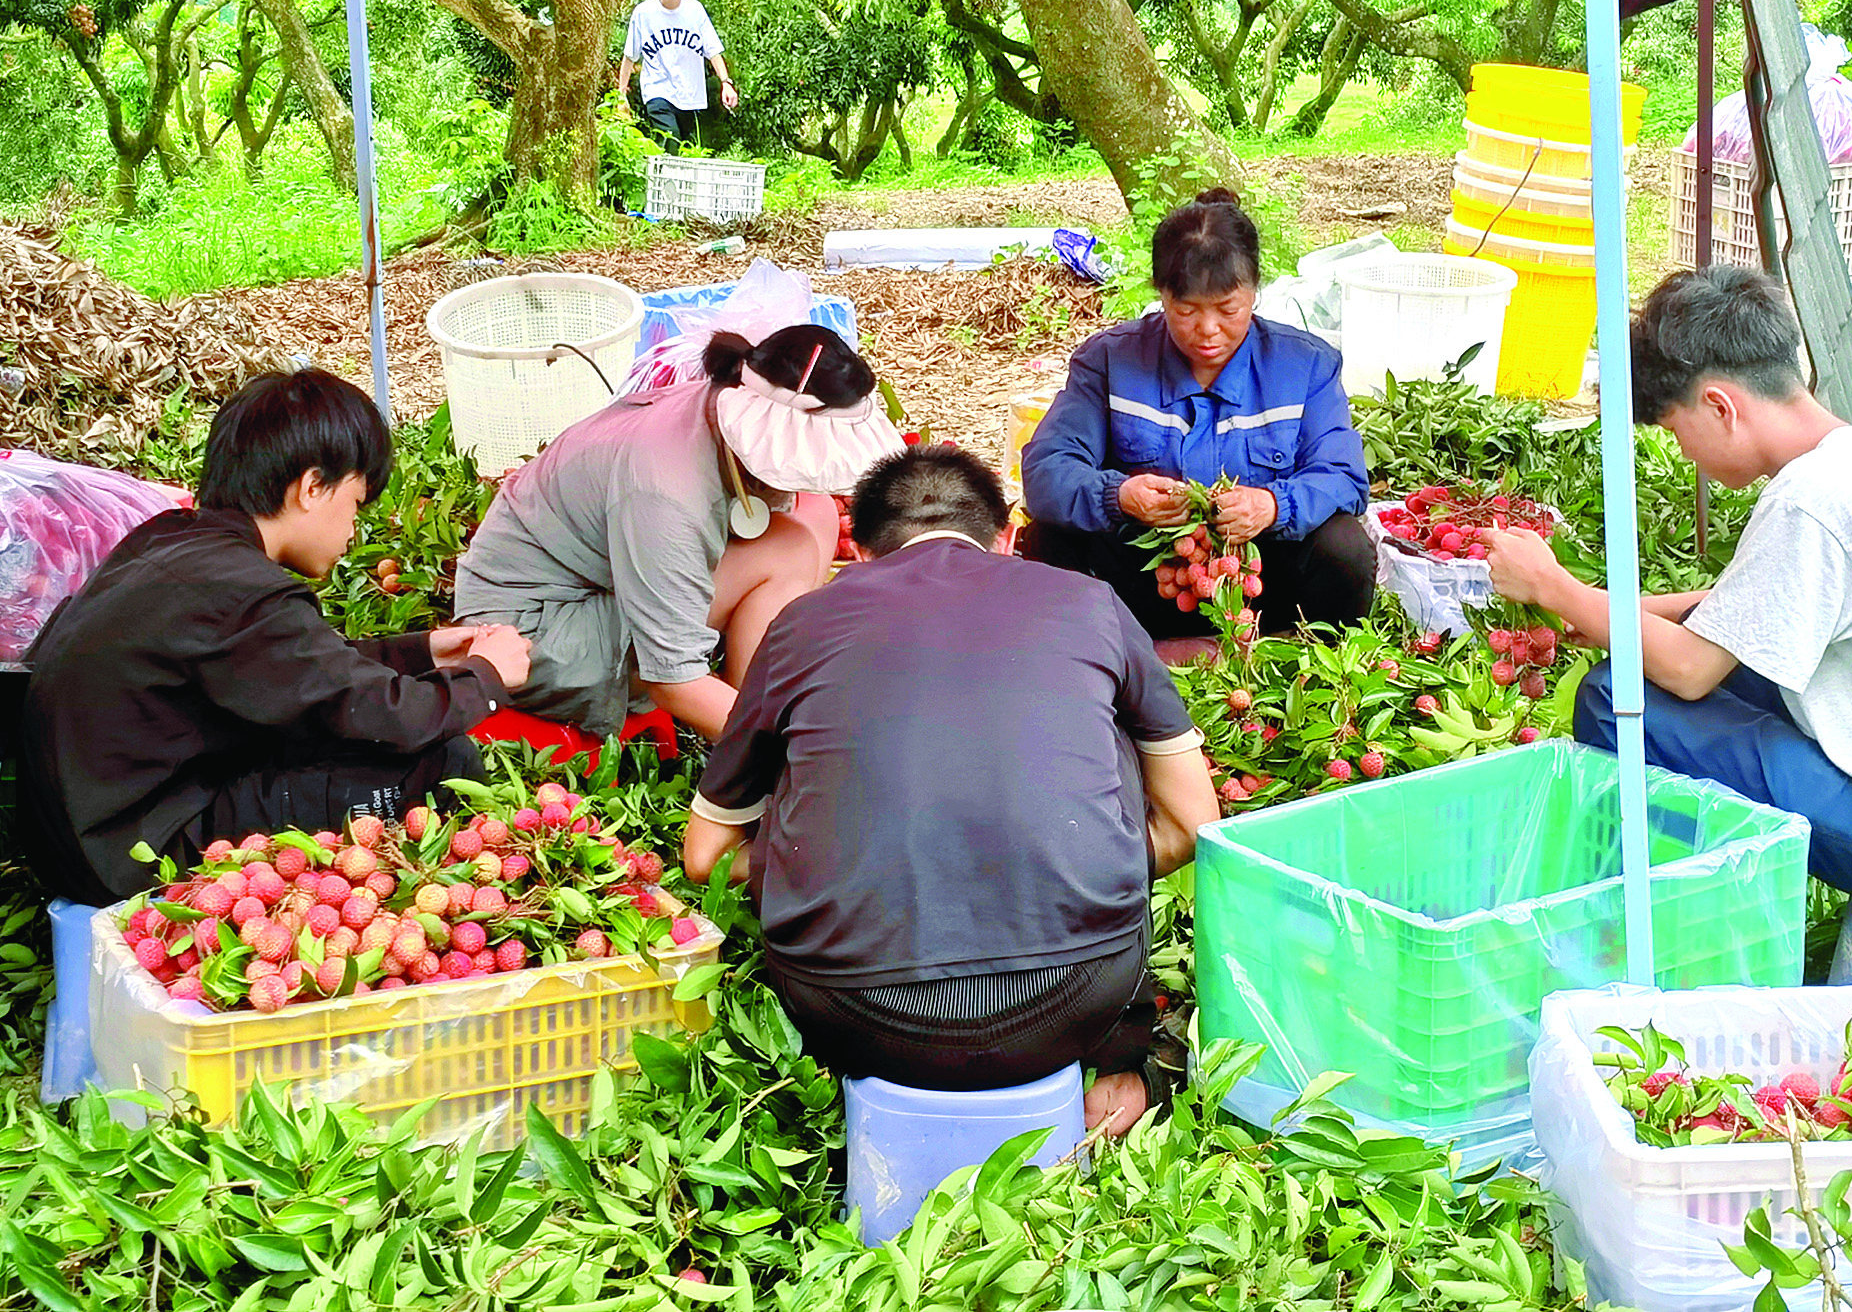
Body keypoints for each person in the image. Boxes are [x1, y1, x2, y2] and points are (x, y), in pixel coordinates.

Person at [1479, 264, 1852, 913]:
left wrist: (1554, 587)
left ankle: (1657, 914)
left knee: (1614, 697)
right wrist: (1611, 609)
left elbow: (1690, 670)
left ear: (1719, 406)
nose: (1685, 454)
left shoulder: (1811, 501)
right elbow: (1754, 608)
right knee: (1673, 665)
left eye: (1679, 433)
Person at [682, 445, 1218, 1136]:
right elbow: (1192, 820)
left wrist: (813, 853)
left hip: (846, 1013)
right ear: (1005, 540)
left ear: (862, 554)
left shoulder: (802, 622)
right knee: (1104, 733)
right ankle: (1124, 1067)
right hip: (1077, 1000)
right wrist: (1078, 854)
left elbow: (705, 856)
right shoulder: (1089, 601)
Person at [19, 371, 533, 905]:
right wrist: (486, 679)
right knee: (441, 761)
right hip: (140, 853)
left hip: (84, 837)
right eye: (356, 503)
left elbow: (301, 672)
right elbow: (383, 717)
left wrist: (422, 650)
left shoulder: (174, 542)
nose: (354, 529)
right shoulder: (240, 591)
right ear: (312, 487)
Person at [456, 324, 902, 744]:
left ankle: (759, 685)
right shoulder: (664, 488)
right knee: (790, 550)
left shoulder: (719, 399)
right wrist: (795, 758)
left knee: (817, 511)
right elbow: (673, 682)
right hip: (527, 637)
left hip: (591, 574)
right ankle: (756, 714)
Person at [1020, 187, 1373, 640]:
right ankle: (1103, 655)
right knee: (1051, 535)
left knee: (1344, 546)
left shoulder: (1305, 367)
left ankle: (1298, 654)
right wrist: (1119, 497)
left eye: (1228, 310)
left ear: (1254, 292)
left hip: (1262, 586)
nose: (1208, 331)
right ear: (1161, 295)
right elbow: (1047, 471)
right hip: (1142, 584)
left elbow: (1343, 476)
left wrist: (1272, 506)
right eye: (1186, 311)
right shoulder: (1109, 363)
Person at [617, 0, 737, 154]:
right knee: (670, 138)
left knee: (690, 148)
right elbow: (630, 55)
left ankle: (669, 182)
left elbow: (713, 50)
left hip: (690, 94)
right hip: (657, 90)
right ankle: (663, 183)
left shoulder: (695, 10)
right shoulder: (643, 13)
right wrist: (621, 94)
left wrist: (726, 83)